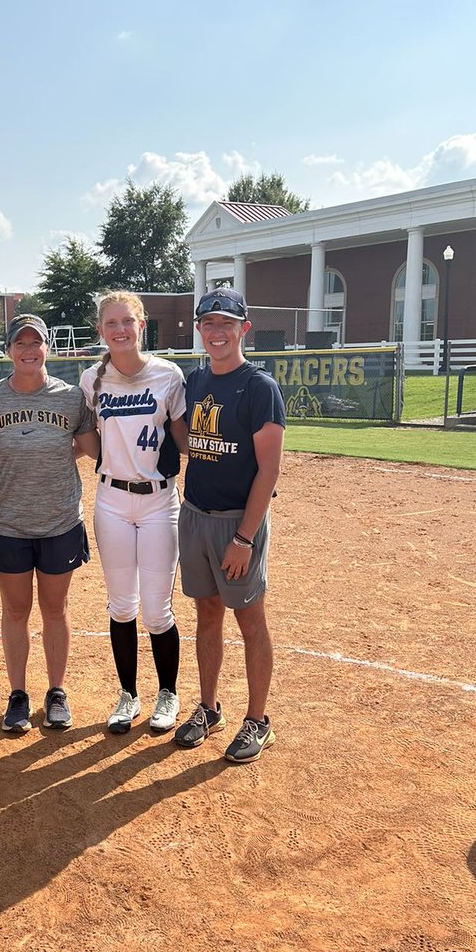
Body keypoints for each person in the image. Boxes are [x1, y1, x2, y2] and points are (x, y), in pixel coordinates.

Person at [0, 313, 97, 733]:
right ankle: (18, 695)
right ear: (9, 350)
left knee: (55, 609)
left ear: (47, 348)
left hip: (60, 519)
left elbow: (86, 446)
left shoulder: (70, 398)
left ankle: (56, 692)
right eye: (20, 343)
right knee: (16, 610)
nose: (28, 350)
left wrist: (56, 457)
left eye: (36, 342)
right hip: (8, 522)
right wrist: (9, 461)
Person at [175, 289, 285, 763]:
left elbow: (270, 469)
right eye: (208, 323)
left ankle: (258, 721)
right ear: (199, 329)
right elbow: (188, 441)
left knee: (250, 619)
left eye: (226, 323)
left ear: (244, 328)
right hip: (195, 514)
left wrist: (244, 538)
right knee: (207, 614)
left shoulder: (259, 387)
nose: (216, 332)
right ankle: (208, 706)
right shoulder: (195, 380)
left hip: (237, 523)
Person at [79, 292, 189, 735]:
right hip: (112, 500)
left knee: (157, 611)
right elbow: (85, 439)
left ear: (142, 325)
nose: (120, 329)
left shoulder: (168, 374)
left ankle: (168, 693)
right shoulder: (92, 380)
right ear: (101, 330)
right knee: (122, 605)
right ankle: (128, 694)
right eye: (111, 323)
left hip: (160, 501)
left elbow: (184, 440)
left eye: (128, 321)